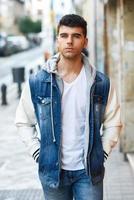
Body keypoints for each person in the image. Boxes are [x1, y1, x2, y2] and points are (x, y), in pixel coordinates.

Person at [15, 14, 122, 200]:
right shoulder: (38, 81)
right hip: (52, 172)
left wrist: (101, 153)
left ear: (85, 41)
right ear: (57, 40)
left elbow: (113, 122)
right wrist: (37, 153)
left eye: (76, 36)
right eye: (64, 35)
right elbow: (23, 122)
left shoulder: (101, 83)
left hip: (89, 172)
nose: (69, 41)